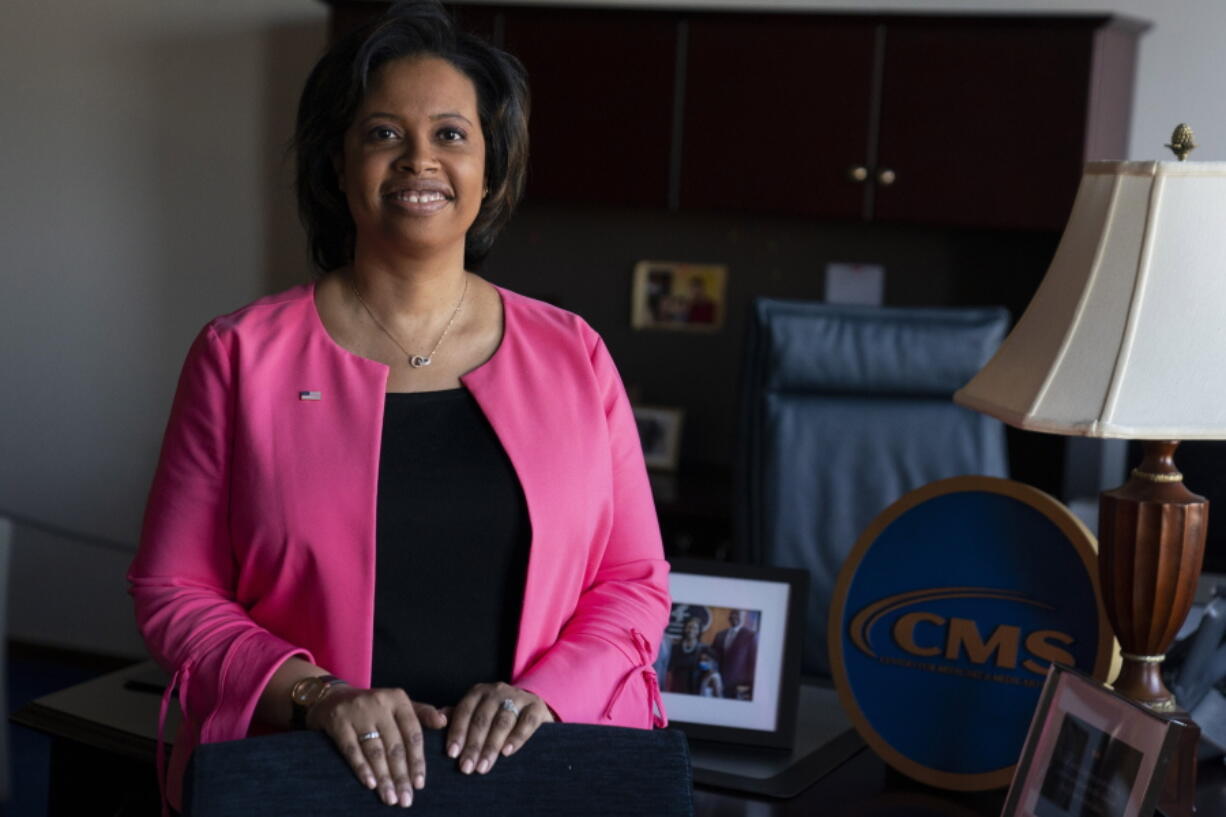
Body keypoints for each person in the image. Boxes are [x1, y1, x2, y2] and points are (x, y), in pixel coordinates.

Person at [127, 2, 671, 811]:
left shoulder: (574, 353)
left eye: (451, 134)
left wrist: (547, 694)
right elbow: (174, 589)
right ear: (338, 163)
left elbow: (634, 581)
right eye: (384, 133)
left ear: (492, 170)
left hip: (537, 772)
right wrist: (316, 695)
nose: (420, 159)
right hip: (310, 777)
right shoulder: (238, 355)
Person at [711, 610, 758, 700]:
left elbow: (753, 663)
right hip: (718, 683)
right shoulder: (720, 635)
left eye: (737, 613)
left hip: (738, 686)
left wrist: (749, 685)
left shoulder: (751, 635)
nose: (733, 616)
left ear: (743, 617)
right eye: (732, 613)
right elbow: (713, 657)